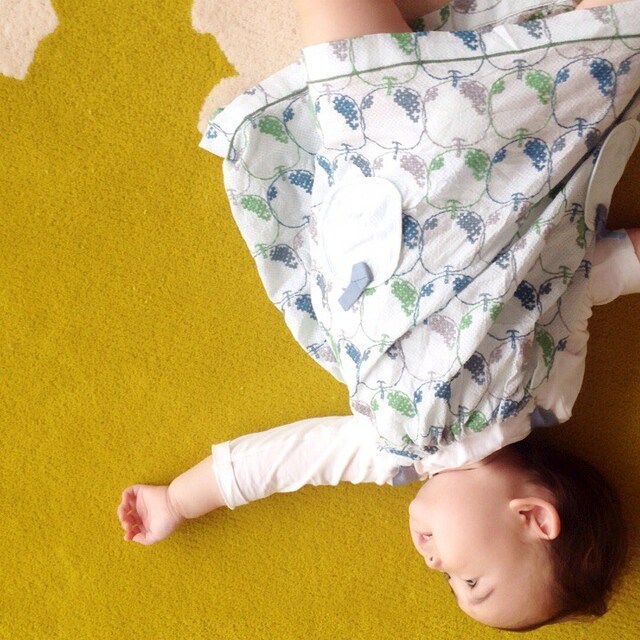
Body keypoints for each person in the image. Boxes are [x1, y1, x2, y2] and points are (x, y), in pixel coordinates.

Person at [118, 0, 640, 630]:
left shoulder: (395, 449)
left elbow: (286, 461)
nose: (435, 564)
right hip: (485, 172)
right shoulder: (545, 393)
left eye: (450, 585)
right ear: (532, 517)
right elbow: (585, 272)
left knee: (343, 40)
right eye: (471, 579)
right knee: (597, 52)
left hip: (383, 167)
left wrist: (179, 500)